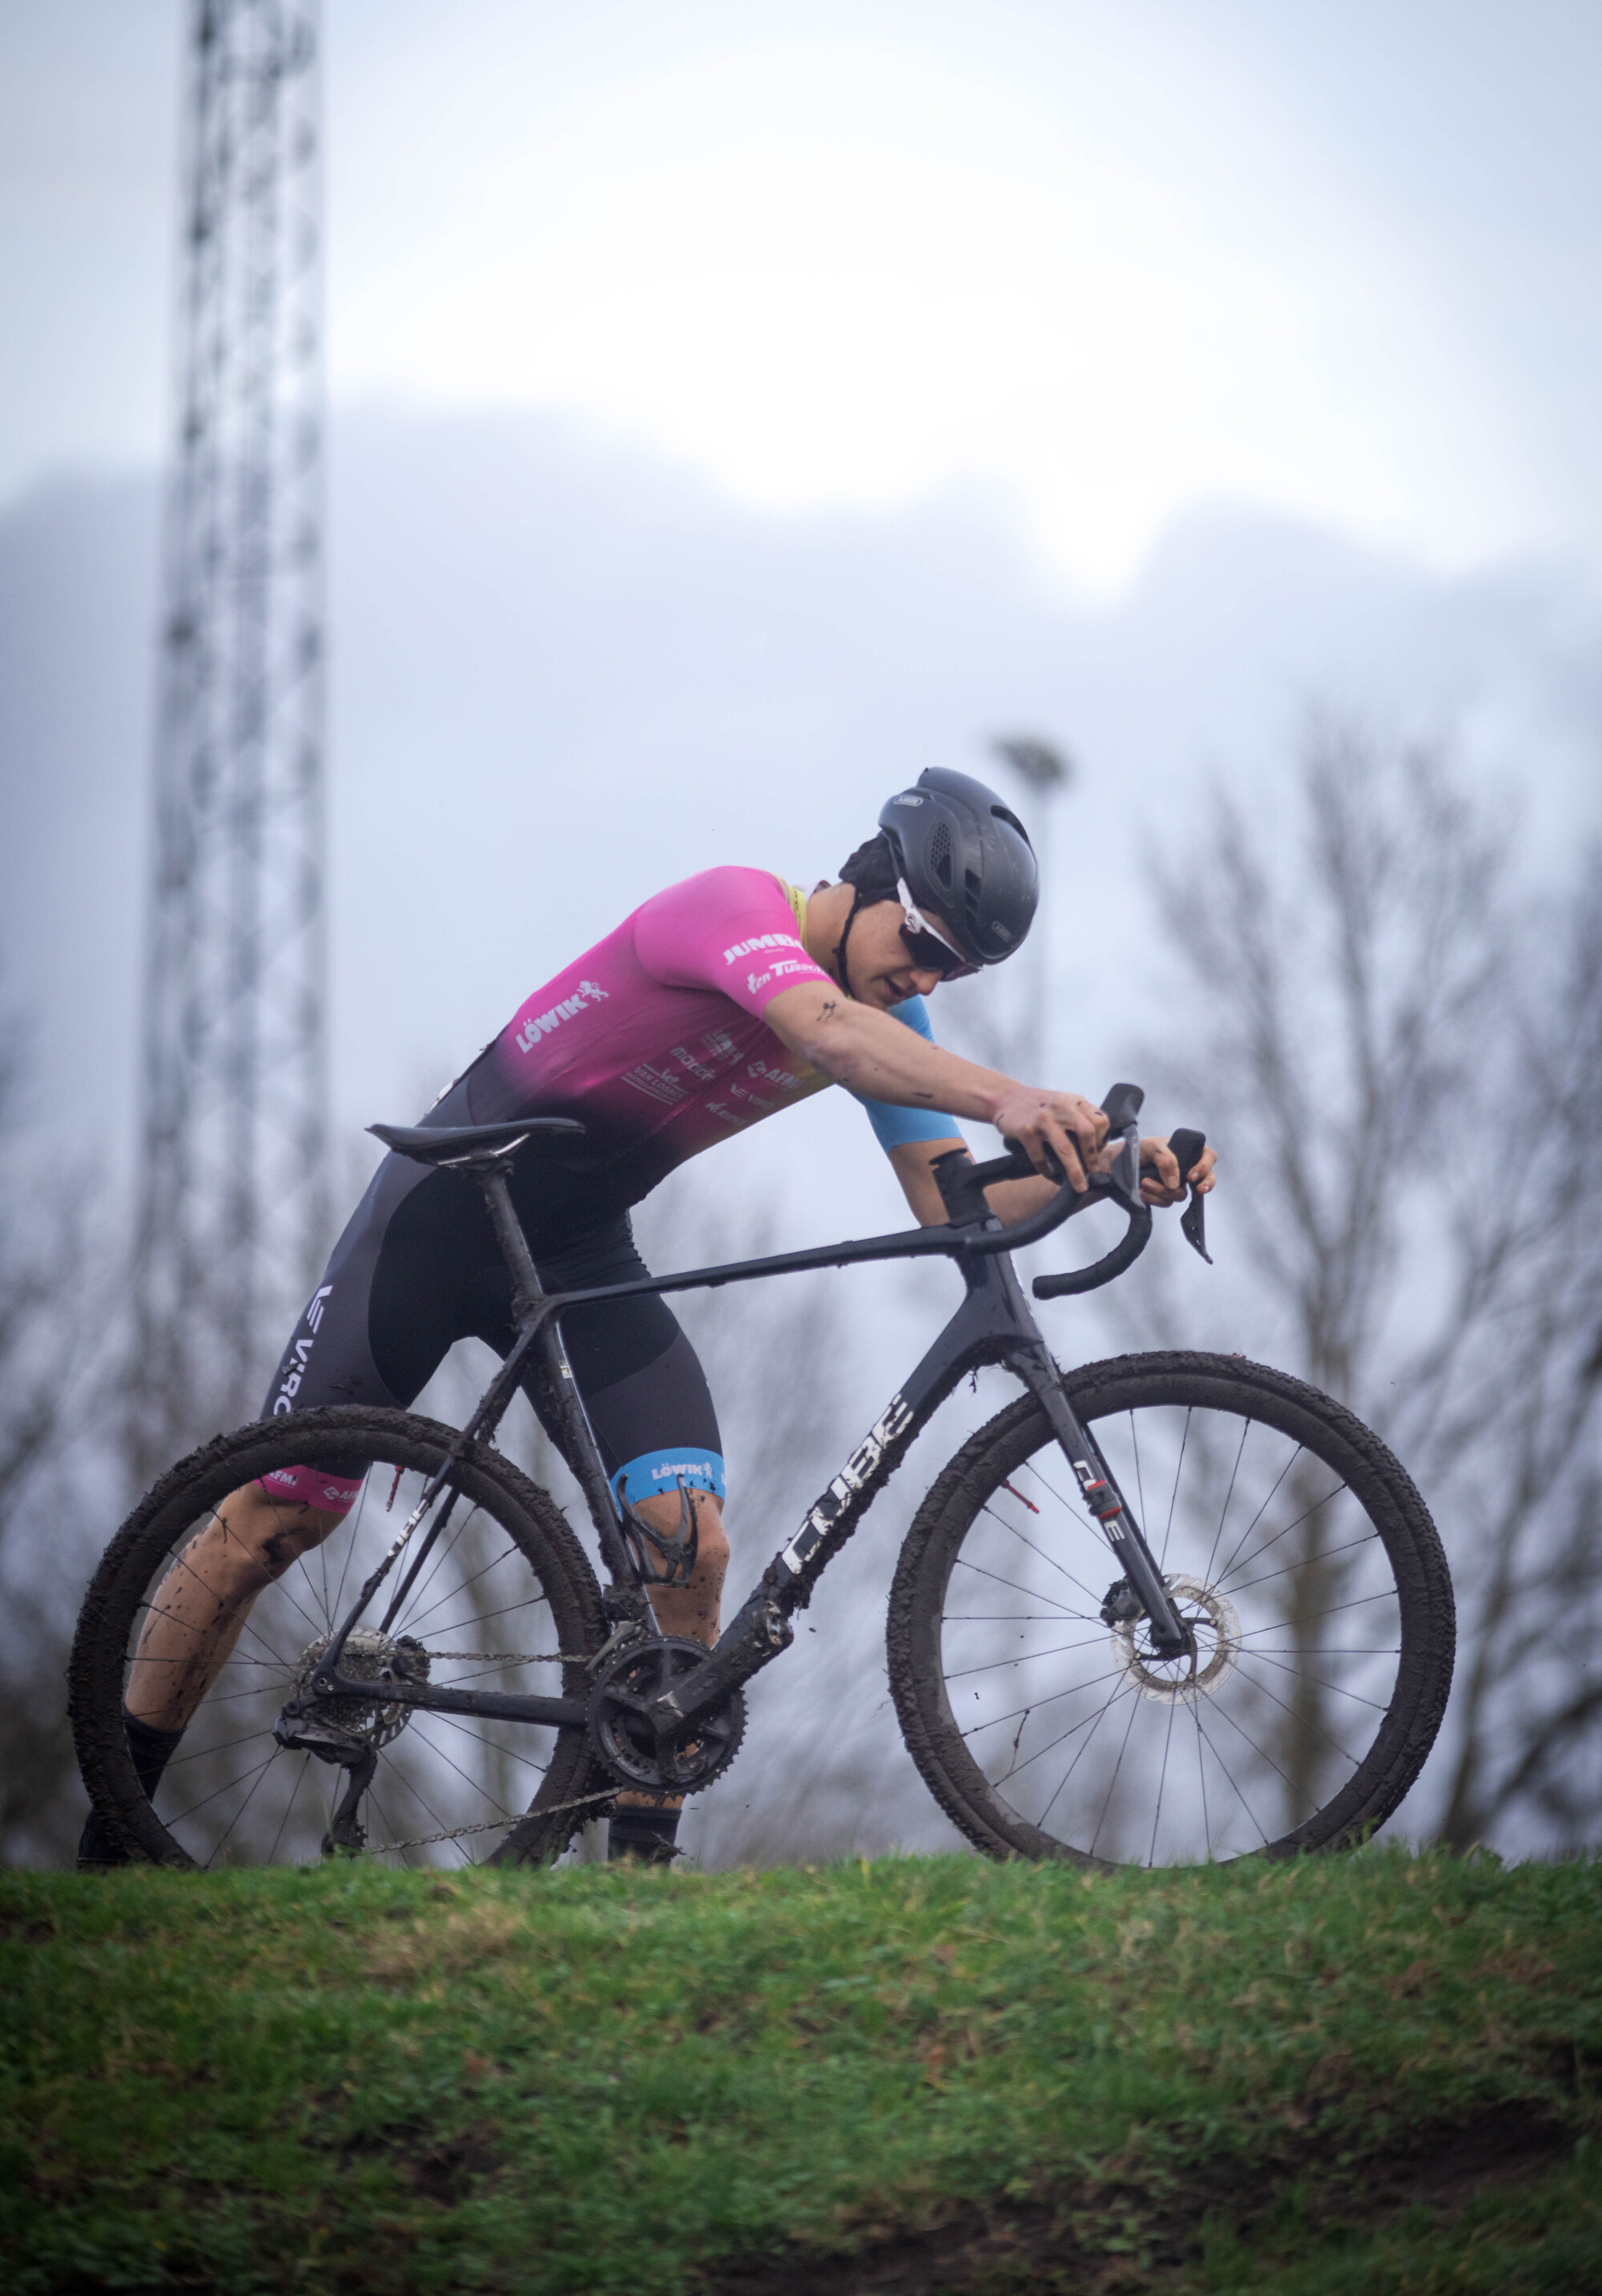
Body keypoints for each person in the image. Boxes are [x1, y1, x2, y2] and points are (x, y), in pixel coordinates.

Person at [81, 767, 1216, 1868]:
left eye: (954, 972)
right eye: (922, 944)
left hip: (579, 1248)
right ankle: (114, 1844)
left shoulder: (885, 1014)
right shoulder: (735, 912)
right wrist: (1010, 1094)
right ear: (869, 880)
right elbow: (824, 1032)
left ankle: (637, 1880)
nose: (926, 975)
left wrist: (1101, 1170)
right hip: (443, 1220)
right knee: (265, 1529)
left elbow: (946, 1201)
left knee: (690, 1539)